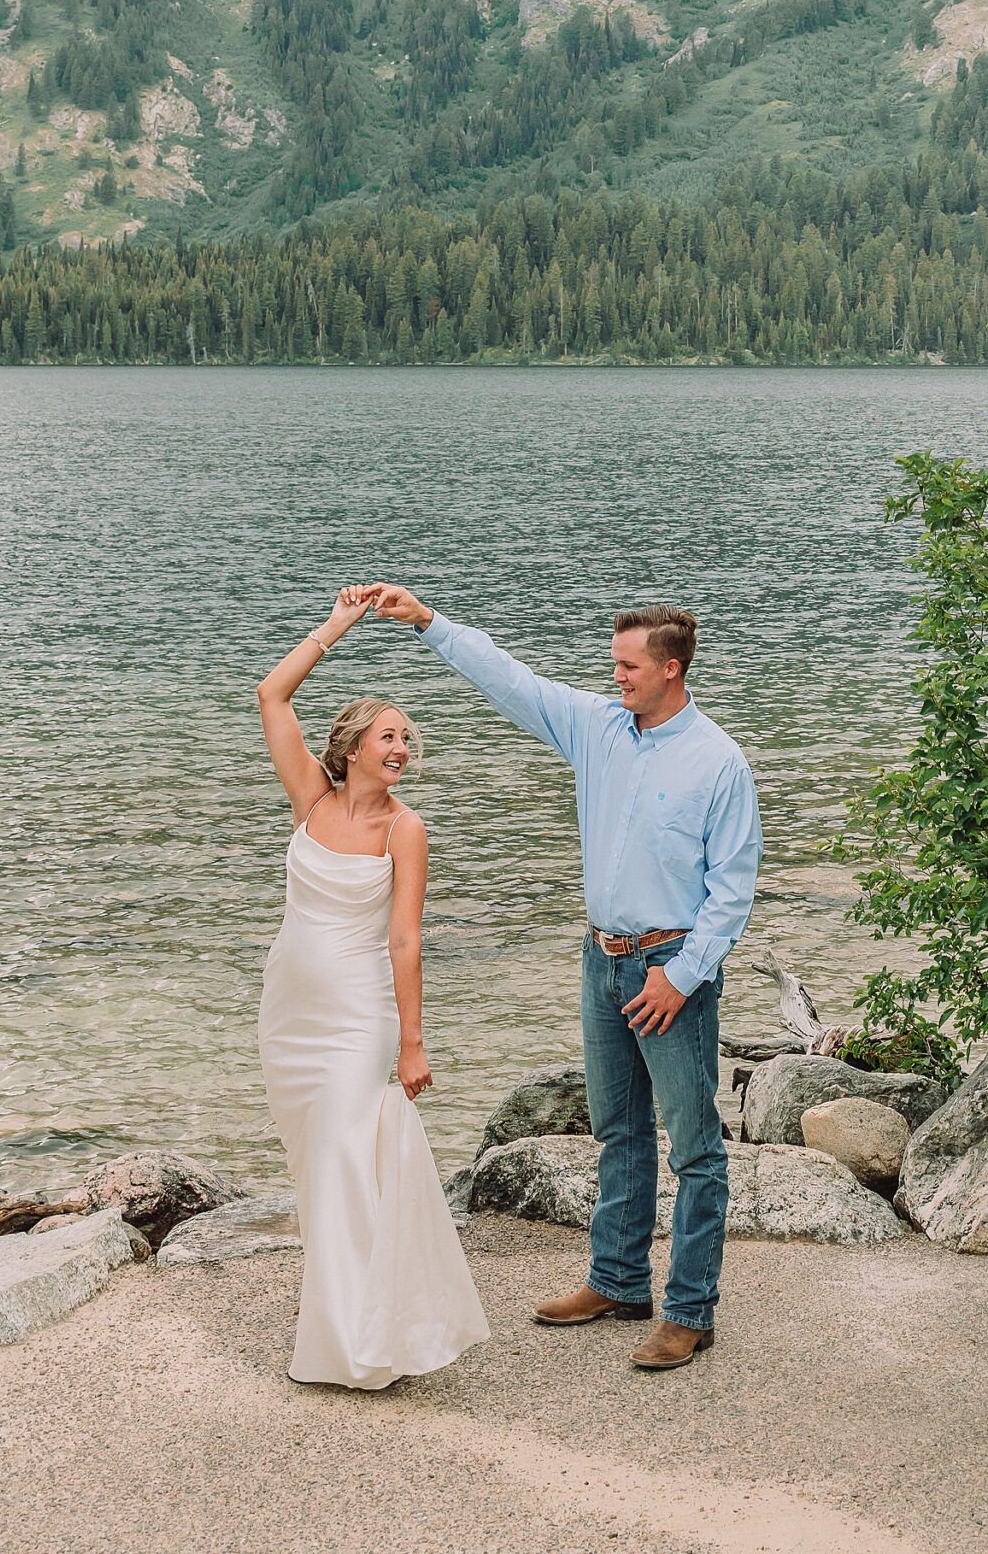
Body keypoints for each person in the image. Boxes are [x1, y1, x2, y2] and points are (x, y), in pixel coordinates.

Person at [352, 582, 762, 1374]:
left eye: (628, 666)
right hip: (601, 960)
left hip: (670, 970)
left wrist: (681, 977)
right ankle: (615, 1281)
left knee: (695, 1148)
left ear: (671, 669)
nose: (616, 678)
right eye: (614, 665)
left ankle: (688, 1312)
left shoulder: (717, 761)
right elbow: (512, 680)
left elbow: (732, 890)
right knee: (616, 1130)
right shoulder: (598, 729)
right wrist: (428, 621)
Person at [254, 588, 489, 1388]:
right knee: (316, 1167)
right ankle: (338, 1323)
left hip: (360, 1021)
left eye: (407, 741)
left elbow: (404, 938)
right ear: (351, 745)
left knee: (350, 1164)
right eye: (389, 736)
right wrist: (337, 626)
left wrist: (414, 1041)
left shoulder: (404, 827)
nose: (402, 749)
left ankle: (361, 1344)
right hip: (288, 1014)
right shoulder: (309, 801)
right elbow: (270, 693)